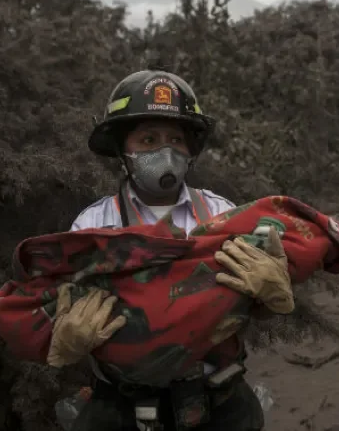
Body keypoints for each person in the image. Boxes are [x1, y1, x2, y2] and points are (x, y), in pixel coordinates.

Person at [62, 70, 282, 431]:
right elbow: (64, 306)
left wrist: (268, 297)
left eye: (175, 139)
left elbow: (248, 306)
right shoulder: (93, 226)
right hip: (121, 407)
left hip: (218, 404)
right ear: (122, 149)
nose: (164, 150)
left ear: (190, 149)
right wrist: (69, 336)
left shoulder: (222, 215)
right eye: (148, 139)